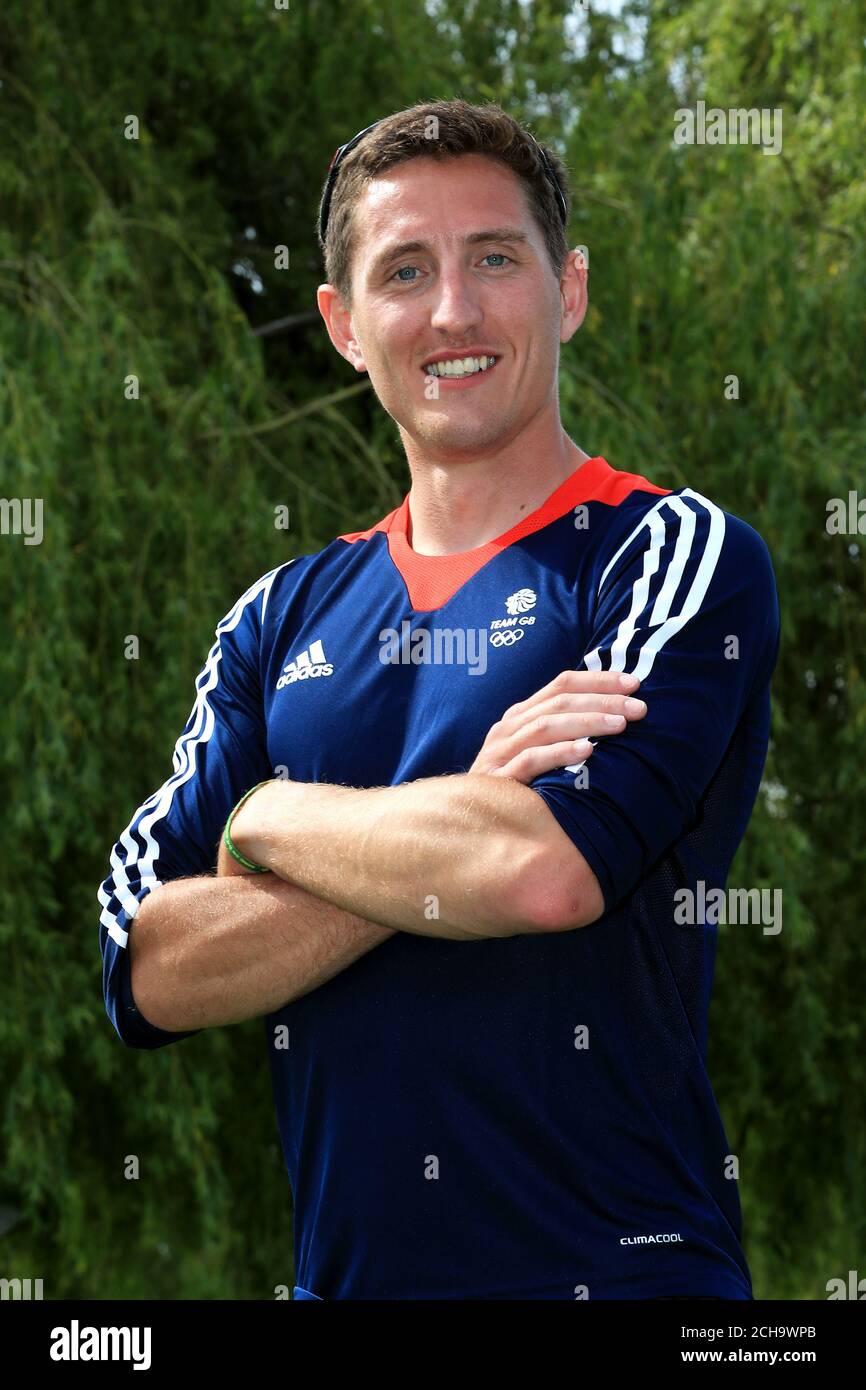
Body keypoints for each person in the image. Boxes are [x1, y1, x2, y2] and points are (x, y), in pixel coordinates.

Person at [98, 98, 780, 1300]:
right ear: (344, 325)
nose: (453, 310)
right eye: (404, 271)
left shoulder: (666, 554)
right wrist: (463, 809)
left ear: (566, 291)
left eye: (494, 259)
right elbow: (151, 965)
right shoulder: (274, 618)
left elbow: (541, 874)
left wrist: (268, 824)